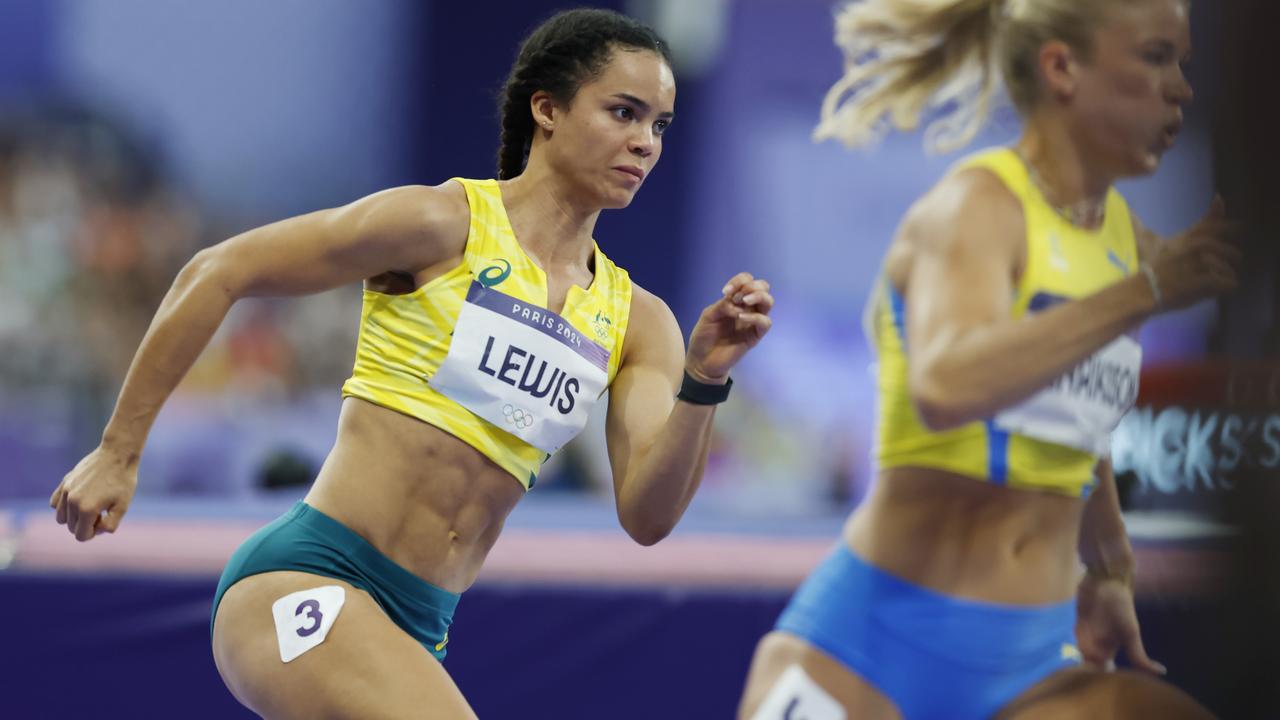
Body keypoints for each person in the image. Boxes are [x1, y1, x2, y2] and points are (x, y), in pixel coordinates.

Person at [49, 8, 775, 718]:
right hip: (310, 578)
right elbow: (218, 271)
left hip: (418, 627)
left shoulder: (637, 321)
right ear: (547, 109)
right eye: (623, 112)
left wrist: (704, 380)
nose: (645, 142)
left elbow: (647, 517)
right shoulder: (440, 225)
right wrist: (118, 451)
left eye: (659, 125)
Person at [739, 0, 1237, 718]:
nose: (1182, 89)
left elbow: (1073, 421)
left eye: (1184, 64)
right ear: (1063, 67)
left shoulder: (1118, 235)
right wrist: (1147, 292)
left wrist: (1110, 564)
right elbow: (946, 383)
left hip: (1032, 663)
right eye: (1157, 58)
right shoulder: (977, 208)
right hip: (872, 653)